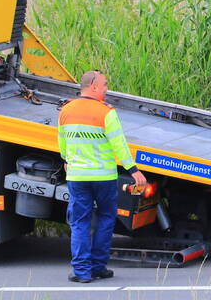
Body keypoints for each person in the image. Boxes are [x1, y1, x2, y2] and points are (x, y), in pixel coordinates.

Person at [58, 70, 146, 283]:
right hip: (104, 177)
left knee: (80, 222)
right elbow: (119, 145)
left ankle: (81, 272)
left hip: (77, 177)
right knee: (106, 218)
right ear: (94, 86)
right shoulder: (106, 113)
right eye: (105, 85)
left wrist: (67, 160)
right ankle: (98, 267)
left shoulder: (66, 110)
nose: (107, 89)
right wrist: (133, 170)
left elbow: (62, 144)